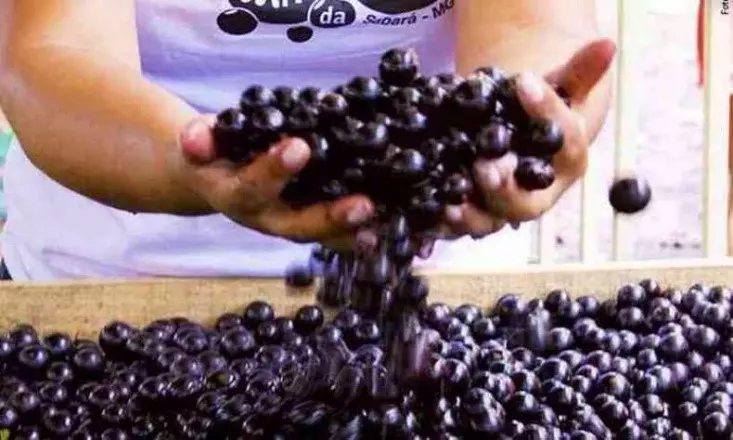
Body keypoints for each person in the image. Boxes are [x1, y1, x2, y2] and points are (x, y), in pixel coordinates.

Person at [0, 1, 614, 281]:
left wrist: (524, 118)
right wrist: (188, 161)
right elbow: (55, 51)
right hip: (105, 285)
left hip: (438, 286)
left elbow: (539, 27)